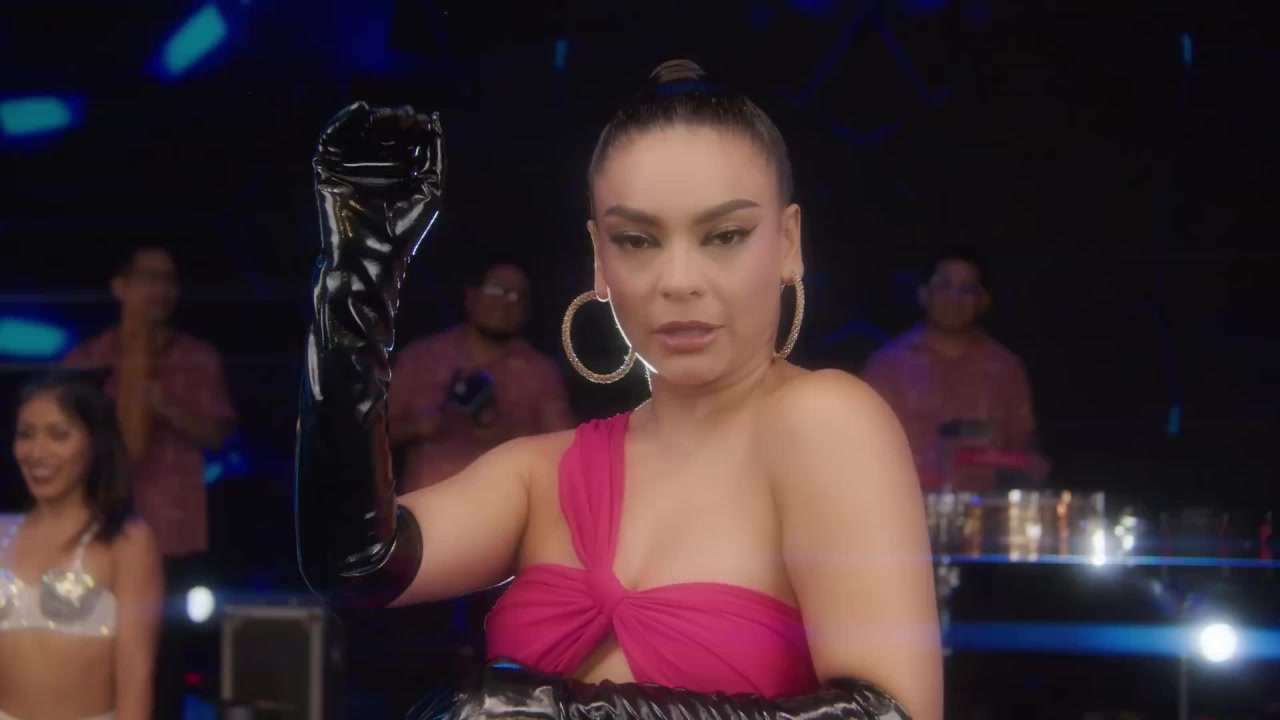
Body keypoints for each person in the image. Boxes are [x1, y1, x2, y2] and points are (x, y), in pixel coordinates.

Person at [296, 61, 942, 720]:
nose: (679, 280)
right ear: (600, 259)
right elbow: (354, 564)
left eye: (725, 235)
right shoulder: (543, 475)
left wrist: (560, 713)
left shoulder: (825, 421)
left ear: (788, 242)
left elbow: (893, 714)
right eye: (637, 240)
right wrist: (356, 278)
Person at [61, 245, 237, 718]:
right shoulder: (87, 360)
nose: (161, 290)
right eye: (148, 278)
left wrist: (166, 408)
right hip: (100, 531)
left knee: (166, 659)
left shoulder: (197, 358)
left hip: (171, 534)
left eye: (169, 280)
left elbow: (220, 433)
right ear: (119, 286)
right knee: (94, 652)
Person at [1, 372, 163, 720]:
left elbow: (136, 677)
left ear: (94, 442)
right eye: (26, 434)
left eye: (58, 435)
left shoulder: (127, 542)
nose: (37, 452)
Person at [863, 248, 1042, 492]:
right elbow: (863, 447)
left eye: (967, 289)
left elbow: (1023, 443)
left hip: (984, 508)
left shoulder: (1006, 368)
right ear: (924, 294)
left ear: (984, 301)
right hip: (904, 506)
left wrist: (1030, 464)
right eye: (944, 286)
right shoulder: (887, 365)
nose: (954, 297)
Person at [389, 261, 574, 492]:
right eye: (495, 289)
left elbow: (567, 448)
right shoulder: (421, 357)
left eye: (516, 295)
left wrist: (515, 435)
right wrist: (418, 425)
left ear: (526, 311)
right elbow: (372, 433)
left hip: (506, 508)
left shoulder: (540, 371)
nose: (505, 302)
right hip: (426, 505)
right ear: (471, 296)